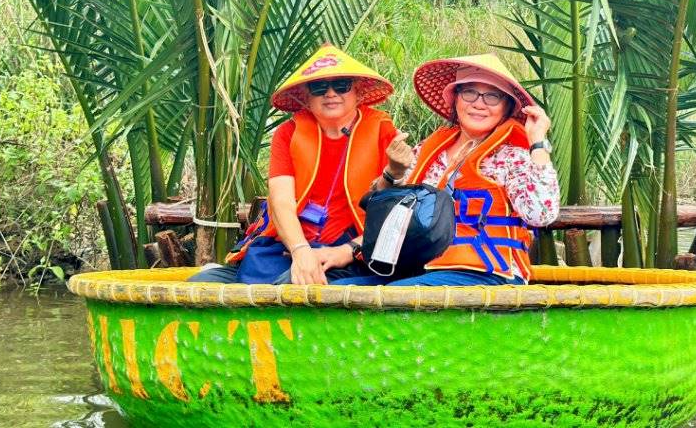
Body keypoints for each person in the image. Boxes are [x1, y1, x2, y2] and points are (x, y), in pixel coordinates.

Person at [188, 44, 411, 284]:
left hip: (350, 252)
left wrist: (348, 250)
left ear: (357, 91)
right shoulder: (288, 133)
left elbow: (397, 214)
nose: (331, 93)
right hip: (289, 248)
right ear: (305, 96)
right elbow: (281, 200)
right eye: (319, 87)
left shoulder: (383, 132)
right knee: (201, 284)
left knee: (292, 286)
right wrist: (300, 250)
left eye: (341, 85)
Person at [333, 53, 560, 287]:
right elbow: (380, 202)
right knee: (337, 288)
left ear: (506, 107)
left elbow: (542, 214)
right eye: (469, 92)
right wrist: (393, 171)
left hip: (488, 271)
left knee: (393, 295)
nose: (479, 103)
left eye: (492, 96)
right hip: (419, 268)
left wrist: (537, 141)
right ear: (455, 99)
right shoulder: (430, 149)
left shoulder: (513, 156)